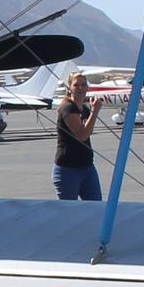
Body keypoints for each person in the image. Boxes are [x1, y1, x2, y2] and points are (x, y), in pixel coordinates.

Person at [52, 70, 102, 201]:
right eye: (76, 85)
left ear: (87, 87)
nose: (80, 88)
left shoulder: (84, 109)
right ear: (69, 88)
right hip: (68, 169)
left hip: (87, 166)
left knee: (96, 207)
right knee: (68, 211)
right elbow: (82, 135)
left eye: (83, 85)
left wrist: (91, 112)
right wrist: (95, 112)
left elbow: (87, 131)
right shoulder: (68, 108)